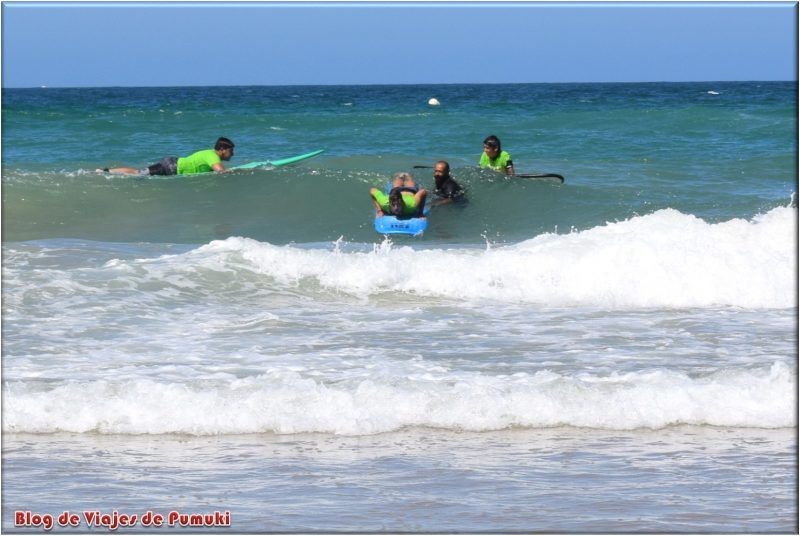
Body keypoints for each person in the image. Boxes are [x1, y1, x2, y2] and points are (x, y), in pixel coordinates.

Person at [98, 137, 235, 176]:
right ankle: (107, 171)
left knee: (139, 173)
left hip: (172, 163)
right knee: (138, 173)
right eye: (231, 150)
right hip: (172, 167)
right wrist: (236, 172)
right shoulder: (213, 156)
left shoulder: (209, 153)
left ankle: (107, 171)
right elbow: (220, 172)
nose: (232, 154)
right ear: (222, 149)